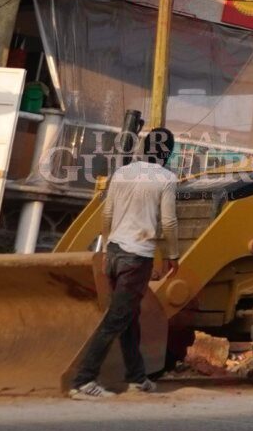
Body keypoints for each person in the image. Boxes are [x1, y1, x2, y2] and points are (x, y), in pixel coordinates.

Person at [70, 127, 178, 398]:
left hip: (115, 252)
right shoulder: (165, 179)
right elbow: (168, 222)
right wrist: (171, 255)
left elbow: (106, 214)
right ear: (167, 153)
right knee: (116, 320)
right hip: (136, 258)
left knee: (129, 317)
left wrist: (107, 248)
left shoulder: (121, 173)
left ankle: (137, 378)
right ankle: (83, 380)